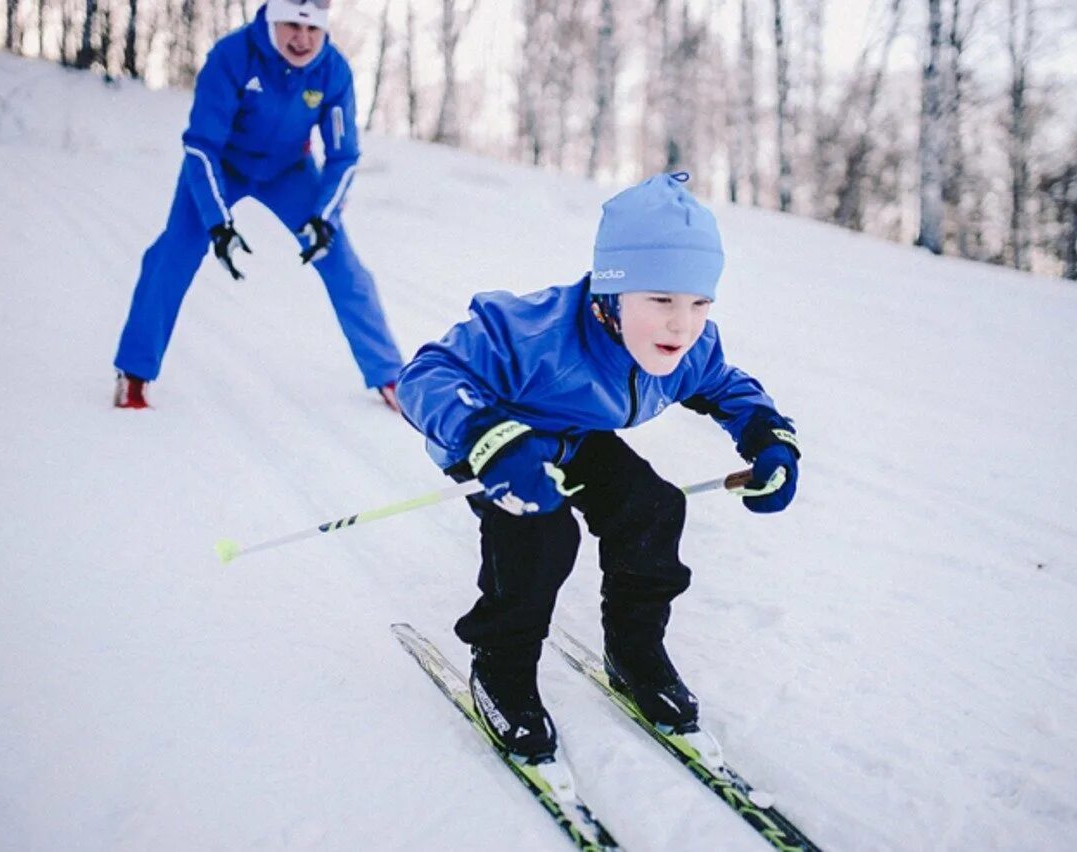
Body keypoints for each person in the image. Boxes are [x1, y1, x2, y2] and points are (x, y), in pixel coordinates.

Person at [394, 173, 801, 762]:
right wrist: (489, 440)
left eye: (699, 303)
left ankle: (634, 650)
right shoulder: (535, 334)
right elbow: (425, 375)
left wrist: (770, 439)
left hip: (576, 438)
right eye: (660, 300)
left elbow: (727, 387)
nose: (681, 324)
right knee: (540, 536)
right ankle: (501, 669)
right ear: (610, 293)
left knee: (654, 508)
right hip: (500, 441)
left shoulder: (689, 347)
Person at [113, 0, 403, 411]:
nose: (301, 40)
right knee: (172, 255)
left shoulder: (332, 70)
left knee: (344, 266)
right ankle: (135, 373)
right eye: (291, 26)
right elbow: (201, 147)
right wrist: (218, 223)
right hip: (222, 166)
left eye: (312, 31)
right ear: (271, 20)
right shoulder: (232, 56)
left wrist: (324, 219)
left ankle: (390, 376)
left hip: (289, 172)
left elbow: (344, 156)